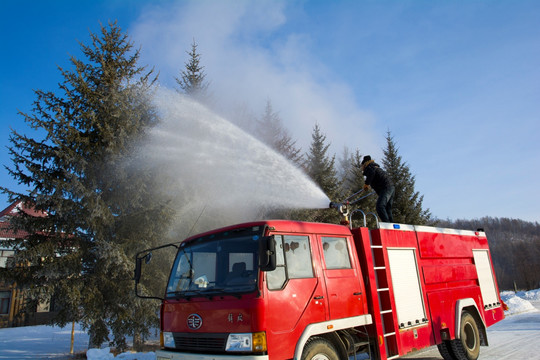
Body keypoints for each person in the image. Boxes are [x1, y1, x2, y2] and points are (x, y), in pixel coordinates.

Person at [361, 155, 395, 223]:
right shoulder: (375, 166)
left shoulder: (369, 167)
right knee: (387, 208)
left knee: (380, 206)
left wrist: (367, 183)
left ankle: (387, 224)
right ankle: (391, 224)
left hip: (385, 187)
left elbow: (371, 174)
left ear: (364, 164)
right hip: (391, 187)